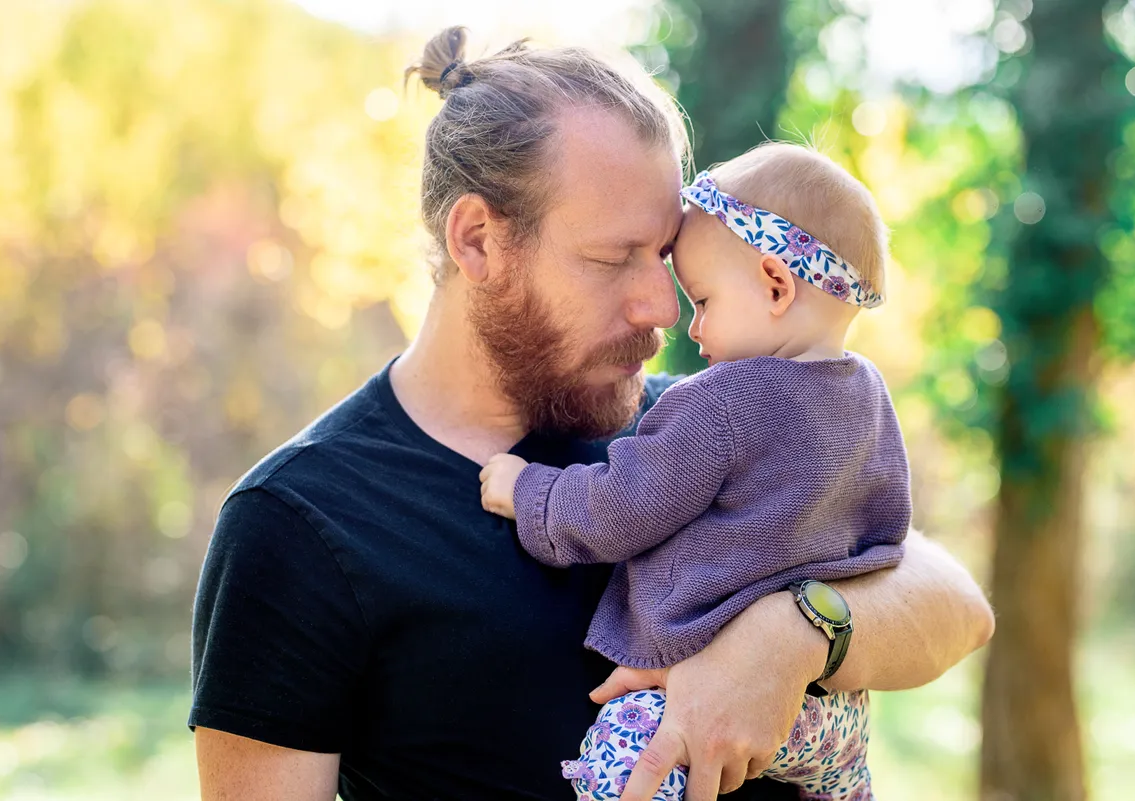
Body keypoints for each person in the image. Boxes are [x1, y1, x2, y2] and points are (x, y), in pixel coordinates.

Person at [190, 27, 995, 801]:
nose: (662, 308)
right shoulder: (298, 522)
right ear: (476, 241)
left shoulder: (696, 418)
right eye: (614, 259)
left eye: (665, 256)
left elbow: (955, 603)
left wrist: (791, 634)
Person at [479, 144, 907, 801]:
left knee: (624, 768)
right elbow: (887, 540)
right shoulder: (869, 395)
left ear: (774, 284)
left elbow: (619, 509)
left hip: (701, 687)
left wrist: (527, 489)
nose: (692, 325)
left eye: (703, 299)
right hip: (834, 715)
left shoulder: (723, 400)